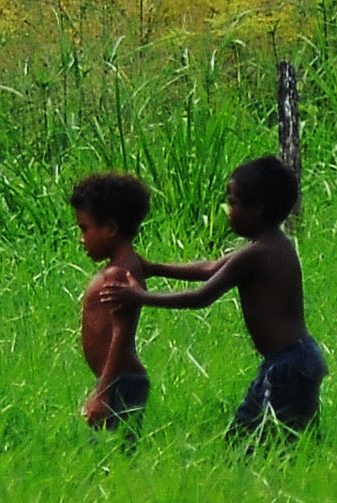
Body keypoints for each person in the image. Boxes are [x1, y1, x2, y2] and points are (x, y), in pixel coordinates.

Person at [120, 153, 323, 441]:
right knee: (244, 440)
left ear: (257, 209)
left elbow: (201, 296)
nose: (227, 209)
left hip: (288, 366)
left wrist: (140, 296)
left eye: (233, 202)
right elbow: (212, 267)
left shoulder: (258, 253)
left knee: (276, 445)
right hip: (289, 361)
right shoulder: (272, 244)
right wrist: (155, 268)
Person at [69, 171, 156, 433]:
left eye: (84, 228)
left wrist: (103, 392)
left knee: (111, 461)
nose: (81, 238)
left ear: (109, 229)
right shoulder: (129, 265)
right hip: (120, 380)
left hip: (120, 383)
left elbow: (122, 333)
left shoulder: (117, 274)